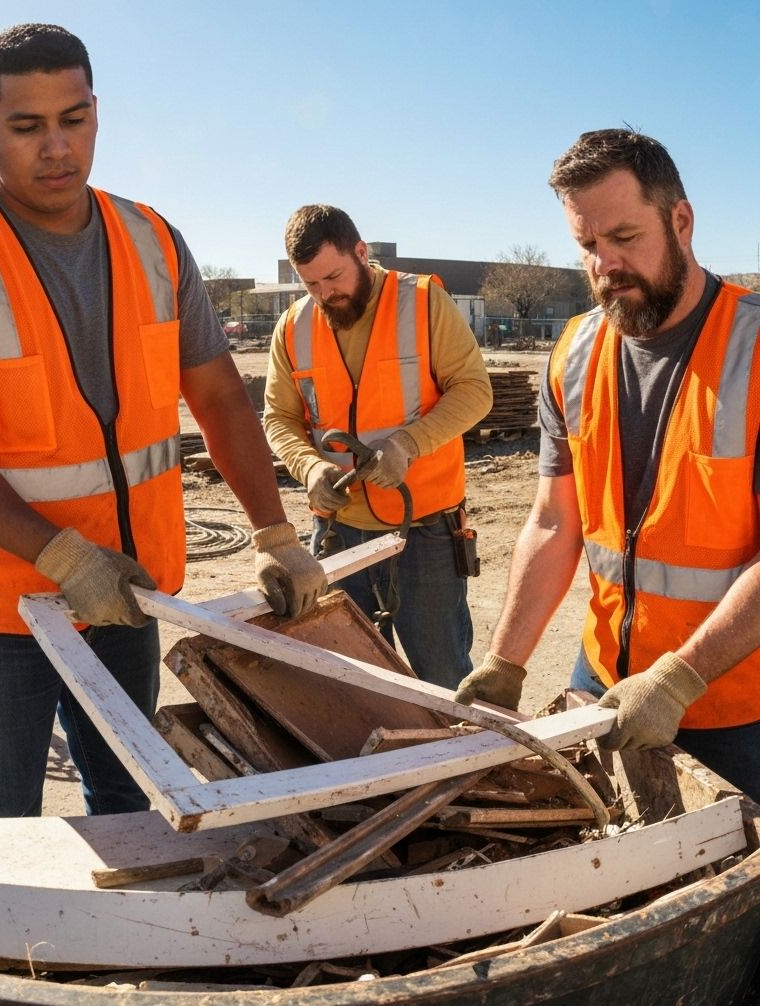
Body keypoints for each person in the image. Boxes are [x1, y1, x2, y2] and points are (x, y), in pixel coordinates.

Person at [0, 23, 326, 819]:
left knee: (129, 801)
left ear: (96, 114)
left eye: (74, 119)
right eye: (27, 127)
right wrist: (62, 557)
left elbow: (220, 398)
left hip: (125, 596)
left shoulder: (153, 242)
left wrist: (273, 532)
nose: (57, 147)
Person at [455, 129, 760, 799]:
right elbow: (554, 520)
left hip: (739, 707)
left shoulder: (755, 347)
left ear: (681, 221)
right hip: (606, 679)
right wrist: (507, 661)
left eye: (624, 237)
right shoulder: (575, 350)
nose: (605, 264)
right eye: (587, 245)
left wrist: (679, 678)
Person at [263, 205, 493, 687]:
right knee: (349, 679)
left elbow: (474, 391)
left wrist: (408, 443)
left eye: (334, 277)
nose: (325, 293)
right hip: (336, 531)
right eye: (311, 284)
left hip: (424, 532)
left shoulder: (423, 303)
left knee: (442, 676)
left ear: (361, 252)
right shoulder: (293, 326)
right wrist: (309, 468)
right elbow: (279, 418)